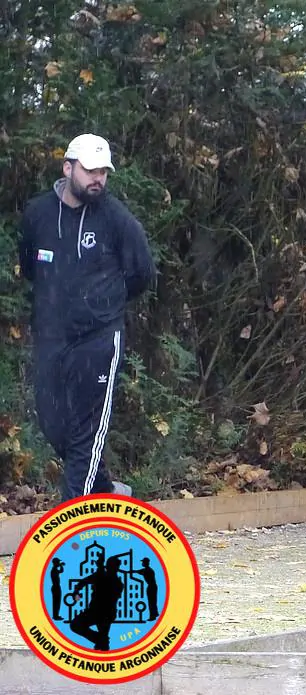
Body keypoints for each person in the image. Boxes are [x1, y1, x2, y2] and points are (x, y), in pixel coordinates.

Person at [18, 133, 157, 501]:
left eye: (103, 172)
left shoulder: (117, 219)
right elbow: (29, 267)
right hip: (51, 335)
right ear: (68, 168)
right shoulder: (38, 213)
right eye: (90, 170)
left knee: (87, 431)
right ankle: (106, 489)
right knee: (51, 421)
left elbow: (142, 273)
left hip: (99, 337)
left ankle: (71, 518)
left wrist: (104, 304)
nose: (98, 179)